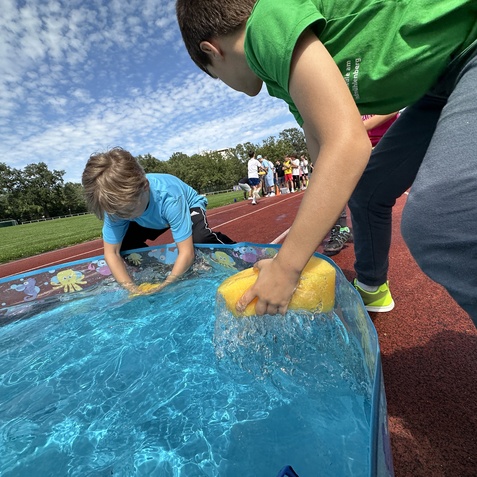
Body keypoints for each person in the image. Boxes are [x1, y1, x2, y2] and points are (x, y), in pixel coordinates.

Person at [176, 0, 477, 323]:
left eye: (216, 77)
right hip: (437, 84)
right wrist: (302, 248)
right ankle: (372, 289)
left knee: (438, 221)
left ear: (212, 51)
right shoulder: (280, 82)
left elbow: (347, 145)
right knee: (367, 191)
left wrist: (287, 267)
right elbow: (323, 156)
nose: (226, 85)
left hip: (467, 48)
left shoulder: (265, 25)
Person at [82, 147, 235, 295]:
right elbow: (112, 253)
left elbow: (186, 252)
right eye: (117, 213)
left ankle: (235, 252)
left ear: (145, 187)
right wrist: (132, 289)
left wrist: (167, 285)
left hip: (187, 205)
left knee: (200, 238)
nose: (123, 217)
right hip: (148, 216)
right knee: (125, 246)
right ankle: (158, 268)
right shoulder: (117, 210)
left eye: (127, 211)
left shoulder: (169, 197)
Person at [323, 113, 399, 259]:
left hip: (386, 141)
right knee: (334, 182)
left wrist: (359, 128)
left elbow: (394, 108)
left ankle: (371, 276)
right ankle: (341, 228)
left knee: (370, 198)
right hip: (357, 144)